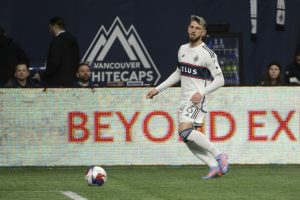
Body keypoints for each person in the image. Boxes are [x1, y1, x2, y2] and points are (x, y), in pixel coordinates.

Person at [146, 15, 228, 179]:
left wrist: (201, 93)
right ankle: (213, 166)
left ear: (203, 32)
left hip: (197, 99)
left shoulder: (208, 54)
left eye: (197, 28)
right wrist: (158, 89)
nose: (193, 30)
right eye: (191, 27)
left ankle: (220, 155)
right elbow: (178, 73)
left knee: (184, 131)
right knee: (187, 138)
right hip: (184, 99)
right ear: (187, 28)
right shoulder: (182, 49)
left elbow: (221, 80)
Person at [33, 17, 80, 87]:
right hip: (70, 83)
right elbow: (77, 59)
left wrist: (43, 76)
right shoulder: (73, 39)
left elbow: (54, 62)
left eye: (50, 27)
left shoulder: (56, 41)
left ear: (55, 27)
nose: (50, 30)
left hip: (56, 84)